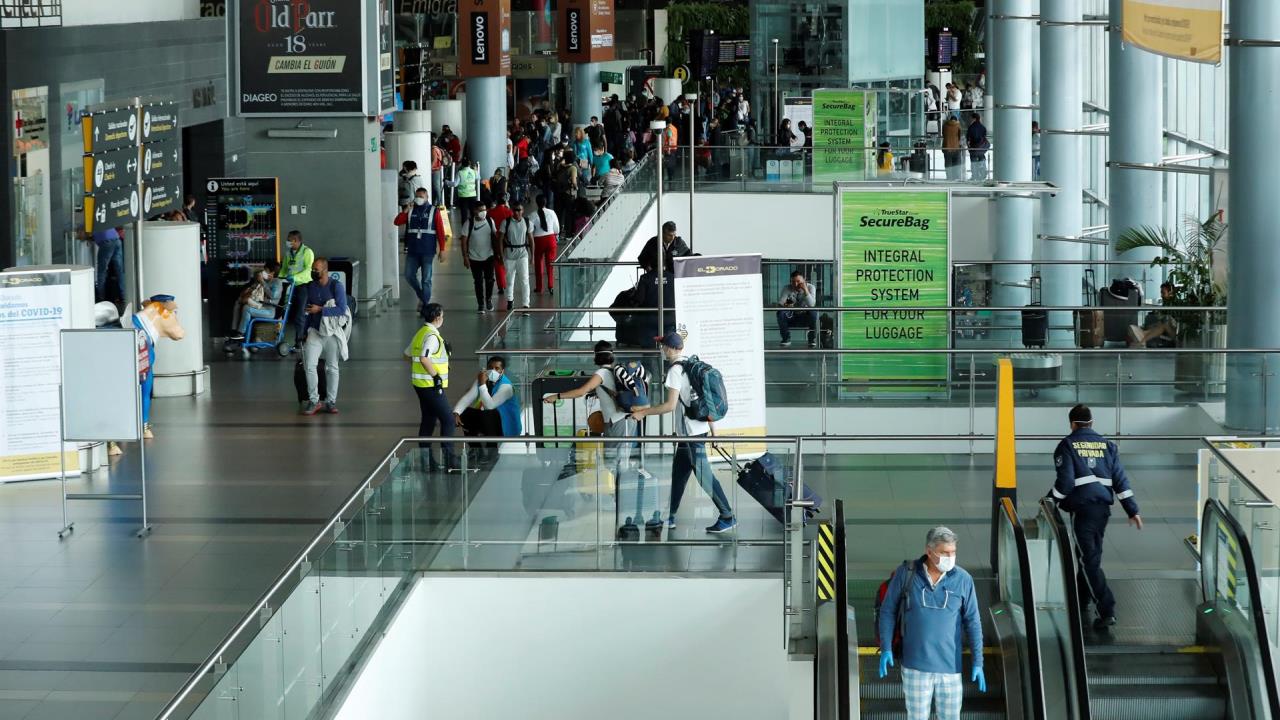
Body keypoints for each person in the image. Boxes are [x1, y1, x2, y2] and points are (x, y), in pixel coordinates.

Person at [629, 332, 736, 534]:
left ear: (669, 348)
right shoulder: (691, 365)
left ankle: (727, 515)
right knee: (679, 475)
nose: (661, 350)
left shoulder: (675, 371)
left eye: (663, 346)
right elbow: (706, 401)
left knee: (705, 477)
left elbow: (669, 406)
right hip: (697, 431)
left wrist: (643, 412)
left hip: (690, 435)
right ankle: (669, 516)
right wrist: (713, 432)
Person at [877, 527, 986, 720]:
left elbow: (973, 622)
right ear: (929, 551)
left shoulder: (963, 579)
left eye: (953, 552)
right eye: (944, 553)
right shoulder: (906, 573)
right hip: (915, 667)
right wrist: (886, 648)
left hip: (950, 669)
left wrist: (978, 661)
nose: (950, 557)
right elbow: (887, 611)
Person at [1050, 404, 1142, 630]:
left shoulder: (1068, 445)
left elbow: (1066, 483)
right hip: (1102, 511)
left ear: (1072, 423)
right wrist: (1132, 510)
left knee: (1087, 559)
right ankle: (1082, 599)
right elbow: (1120, 480)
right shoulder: (1108, 446)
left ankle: (1107, 608)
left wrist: (1050, 500)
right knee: (1089, 556)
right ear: (1091, 423)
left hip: (1082, 509)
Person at [405, 303, 457, 471]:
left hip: (419, 384)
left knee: (428, 420)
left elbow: (407, 355)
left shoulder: (421, 333)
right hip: (430, 385)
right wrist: (436, 376)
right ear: (437, 318)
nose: (443, 318)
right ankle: (450, 459)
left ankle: (426, 460)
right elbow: (424, 358)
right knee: (448, 420)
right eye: (442, 315)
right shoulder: (432, 337)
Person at [300, 257, 350, 416]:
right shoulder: (311, 287)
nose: (314, 272)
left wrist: (320, 309)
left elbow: (341, 309)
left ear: (325, 270)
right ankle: (314, 400)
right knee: (309, 365)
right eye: (313, 269)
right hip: (315, 330)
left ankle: (331, 400)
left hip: (331, 332)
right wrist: (303, 332)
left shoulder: (336, 286)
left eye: (317, 269)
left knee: (332, 367)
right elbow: (308, 311)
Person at [453, 355, 522, 463]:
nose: (493, 371)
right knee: (466, 414)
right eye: (491, 367)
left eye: (497, 368)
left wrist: (482, 384)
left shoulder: (506, 387)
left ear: (502, 371)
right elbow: (469, 396)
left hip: (506, 426)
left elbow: (490, 405)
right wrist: (456, 412)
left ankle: (492, 452)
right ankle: (476, 450)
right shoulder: (483, 378)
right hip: (491, 422)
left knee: (488, 413)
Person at [395, 188, 448, 314]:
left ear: (427, 196)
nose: (419, 198)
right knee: (408, 275)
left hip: (427, 250)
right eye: (417, 196)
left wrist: (443, 249)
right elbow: (397, 222)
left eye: (422, 196)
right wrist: (406, 210)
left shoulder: (434, 211)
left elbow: (440, 231)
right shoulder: (411, 210)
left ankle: (425, 306)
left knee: (426, 279)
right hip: (413, 250)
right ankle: (423, 297)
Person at [459, 202, 499, 312]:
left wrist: (498, 253)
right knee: (478, 281)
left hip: (489, 256)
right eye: (481, 210)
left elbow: (495, 237)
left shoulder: (490, 221)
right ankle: (481, 303)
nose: (483, 212)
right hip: (474, 258)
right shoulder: (469, 223)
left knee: (490, 280)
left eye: (485, 210)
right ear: (475, 211)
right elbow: (463, 241)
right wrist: (465, 257)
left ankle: (489, 300)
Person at [230, 260, 282, 340]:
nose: (263, 272)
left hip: (268, 310)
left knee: (246, 308)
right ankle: (234, 330)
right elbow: (254, 290)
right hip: (259, 305)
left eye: (266, 270)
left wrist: (262, 282)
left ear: (272, 273)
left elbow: (273, 296)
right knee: (238, 303)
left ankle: (241, 333)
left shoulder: (277, 282)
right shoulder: (264, 280)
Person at [497, 201, 534, 311]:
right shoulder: (506, 222)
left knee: (524, 280)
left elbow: (531, 240)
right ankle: (510, 300)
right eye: (515, 210)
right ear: (512, 211)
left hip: (522, 254)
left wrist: (532, 257)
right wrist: (500, 255)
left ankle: (526, 304)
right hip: (509, 254)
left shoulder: (527, 222)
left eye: (519, 210)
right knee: (510, 280)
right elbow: (500, 239)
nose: (517, 212)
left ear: (523, 211)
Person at [283, 230, 315, 349]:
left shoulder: (307, 252)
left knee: (300, 314)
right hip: (291, 286)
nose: (287, 242)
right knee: (285, 311)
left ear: (296, 240)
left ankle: (299, 341)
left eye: (289, 240)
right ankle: (280, 337)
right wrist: (279, 278)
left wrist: (295, 277)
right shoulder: (288, 253)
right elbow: (285, 269)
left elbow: (308, 270)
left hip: (303, 286)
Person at [1128, 282, 1178, 347]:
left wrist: (1161, 316)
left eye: (1163, 293)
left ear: (1170, 293)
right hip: (1165, 329)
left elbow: (1171, 320)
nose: (1161, 295)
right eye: (1161, 293)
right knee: (1158, 323)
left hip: (1174, 333)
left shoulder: (1175, 304)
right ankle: (1143, 333)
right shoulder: (1165, 304)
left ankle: (1141, 341)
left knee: (1164, 323)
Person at [777, 271, 819, 348]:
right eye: (793, 282)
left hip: (805, 317)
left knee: (813, 311)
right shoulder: (787, 288)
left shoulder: (811, 287)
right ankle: (786, 338)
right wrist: (787, 305)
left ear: (804, 280)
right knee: (781, 312)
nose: (795, 284)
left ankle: (811, 339)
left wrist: (806, 290)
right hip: (791, 317)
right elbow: (781, 304)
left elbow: (812, 304)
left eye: (798, 281)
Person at [530, 194, 560, 295]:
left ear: (536, 203)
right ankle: (551, 286)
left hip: (538, 240)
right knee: (550, 264)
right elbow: (557, 228)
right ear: (545, 202)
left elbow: (529, 230)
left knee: (539, 265)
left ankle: (539, 287)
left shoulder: (532, 215)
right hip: (550, 239)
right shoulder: (552, 212)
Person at [92, 226, 126, 304]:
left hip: (106, 241)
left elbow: (83, 234)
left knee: (102, 271)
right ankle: (124, 296)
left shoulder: (89, 220)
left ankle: (101, 297)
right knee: (120, 270)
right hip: (117, 239)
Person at [965, 113, 989, 181]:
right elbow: (984, 137)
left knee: (974, 163)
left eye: (971, 118)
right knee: (981, 161)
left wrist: (969, 147)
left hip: (973, 148)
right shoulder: (983, 127)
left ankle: (975, 176)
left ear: (974, 119)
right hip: (981, 149)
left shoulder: (971, 127)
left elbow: (968, 138)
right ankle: (982, 175)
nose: (970, 119)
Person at [942, 115, 963, 181]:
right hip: (956, 147)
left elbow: (943, 134)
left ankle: (949, 178)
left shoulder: (945, 125)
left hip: (947, 147)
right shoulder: (958, 126)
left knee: (948, 164)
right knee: (956, 163)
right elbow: (960, 136)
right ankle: (956, 177)